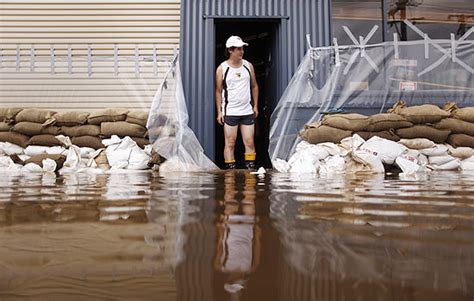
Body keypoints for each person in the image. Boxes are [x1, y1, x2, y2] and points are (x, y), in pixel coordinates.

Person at [215, 35, 259, 170]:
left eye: (242, 49)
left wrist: (255, 106)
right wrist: (219, 111)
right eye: (239, 49)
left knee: (250, 142)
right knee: (230, 143)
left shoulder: (248, 66)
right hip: (230, 111)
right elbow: (218, 91)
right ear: (230, 50)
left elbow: (254, 86)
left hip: (247, 111)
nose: (242, 51)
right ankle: (230, 173)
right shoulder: (222, 68)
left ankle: (250, 171)